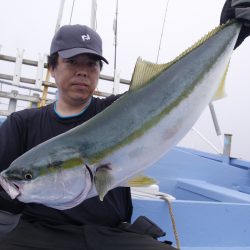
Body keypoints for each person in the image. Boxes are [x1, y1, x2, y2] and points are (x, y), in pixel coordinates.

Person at [0, 1, 249, 249]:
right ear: (52, 67)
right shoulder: (22, 124)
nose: (83, 72)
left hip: (112, 236)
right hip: (40, 232)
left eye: (92, 64)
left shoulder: (120, 111)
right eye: (73, 62)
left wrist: (230, 32)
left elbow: (172, 87)